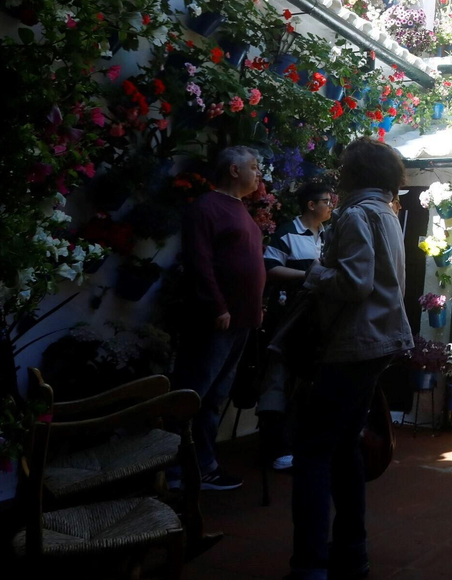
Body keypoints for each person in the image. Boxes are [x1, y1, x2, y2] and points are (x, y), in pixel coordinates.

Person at [288, 139, 412, 580]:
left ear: (354, 172)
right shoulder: (386, 213)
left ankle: (310, 563)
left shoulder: (359, 214)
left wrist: (316, 274)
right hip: (375, 342)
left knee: (313, 452)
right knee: (343, 449)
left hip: (353, 343)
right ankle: (350, 552)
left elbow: (355, 282)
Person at [172, 144, 266, 491]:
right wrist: (217, 306)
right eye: (254, 166)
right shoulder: (207, 208)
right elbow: (200, 262)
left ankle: (204, 465)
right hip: (217, 320)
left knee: (215, 396)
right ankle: (177, 471)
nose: (259, 173)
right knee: (193, 394)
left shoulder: (240, 209)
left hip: (241, 321)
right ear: (233, 170)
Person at [258, 177, 336, 471]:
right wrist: (306, 277)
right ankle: (275, 447)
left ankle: (298, 443)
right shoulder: (288, 233)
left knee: (307, 384)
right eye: (327, 202)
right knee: (278, 378)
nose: (331, 207)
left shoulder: (327, 235)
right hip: (287, 318)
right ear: (311, 205)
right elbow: (269, 268)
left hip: (315, 321)